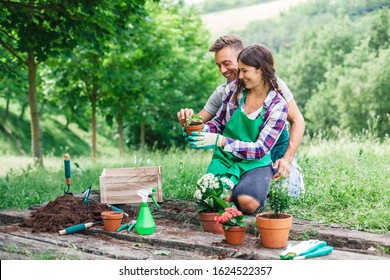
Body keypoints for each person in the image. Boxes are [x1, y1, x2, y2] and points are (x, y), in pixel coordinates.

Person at [177, 35, 304, 197]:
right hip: (241, 153)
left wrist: (286, 159)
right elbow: (200, 122)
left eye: (227, 63)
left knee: (285, 194)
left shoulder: (273, 86)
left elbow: (298, 120)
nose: (222, 70)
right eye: (218, 65)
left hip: (274, 151)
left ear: (242, 59)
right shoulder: (225, 91)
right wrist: (188, 122)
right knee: (222, 195)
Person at [188, 44, 288, 214]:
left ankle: (248, 189)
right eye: (239, 70)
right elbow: (219, 122)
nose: (240, 76)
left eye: (245, 71)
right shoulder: (234, 91)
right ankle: (235, 190)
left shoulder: (277, 106)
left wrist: (222, 141)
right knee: (214, 198)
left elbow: (261, 149)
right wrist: (203, 130)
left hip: (255, 162)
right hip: (227, 158)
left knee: (247, 202)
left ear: (261, 70)